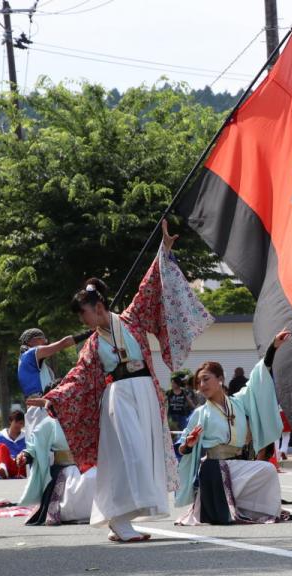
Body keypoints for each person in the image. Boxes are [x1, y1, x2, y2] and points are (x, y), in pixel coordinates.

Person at [35, 221, 211, 542]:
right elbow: (77, 378)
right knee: (128, 457)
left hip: (144, 391)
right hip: (119, 398)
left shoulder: (131, 319)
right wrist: (55, 397)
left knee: (142, 454)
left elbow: (149, 286)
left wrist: (165, 250)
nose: (83, 321)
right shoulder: (92, 344)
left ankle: (123, 520)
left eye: (84, 314)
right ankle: (118, 519)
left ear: (98, 307)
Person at [175, 340, 291, 525]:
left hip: (237, 463)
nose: (201, 385)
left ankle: (258, 509)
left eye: (206, 379)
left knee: (267, 470)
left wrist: (272, 348)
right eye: (198, 382)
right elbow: (181, 448)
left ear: (220, 379)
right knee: (266, 469)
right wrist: (187, 444)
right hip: (214, 468)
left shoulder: (238, 402)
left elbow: (257, 380)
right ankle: (238, 507)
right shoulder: (201, 413)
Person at [18, 415, 97, 525]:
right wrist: (26, 455)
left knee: (93, 476)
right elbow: (35, 444)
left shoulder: (87, 415)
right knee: (75, 482)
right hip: (63, 467)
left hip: (88, 465)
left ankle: (99, 513)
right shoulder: (51, 421)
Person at [17, 327, 83, 433]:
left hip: (38, 406)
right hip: (39, 407)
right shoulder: (31, 354)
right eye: (43, 340)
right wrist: (90, 332)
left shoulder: (29, 360)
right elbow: (64, 343)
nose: (46, 343)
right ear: (32, 341)